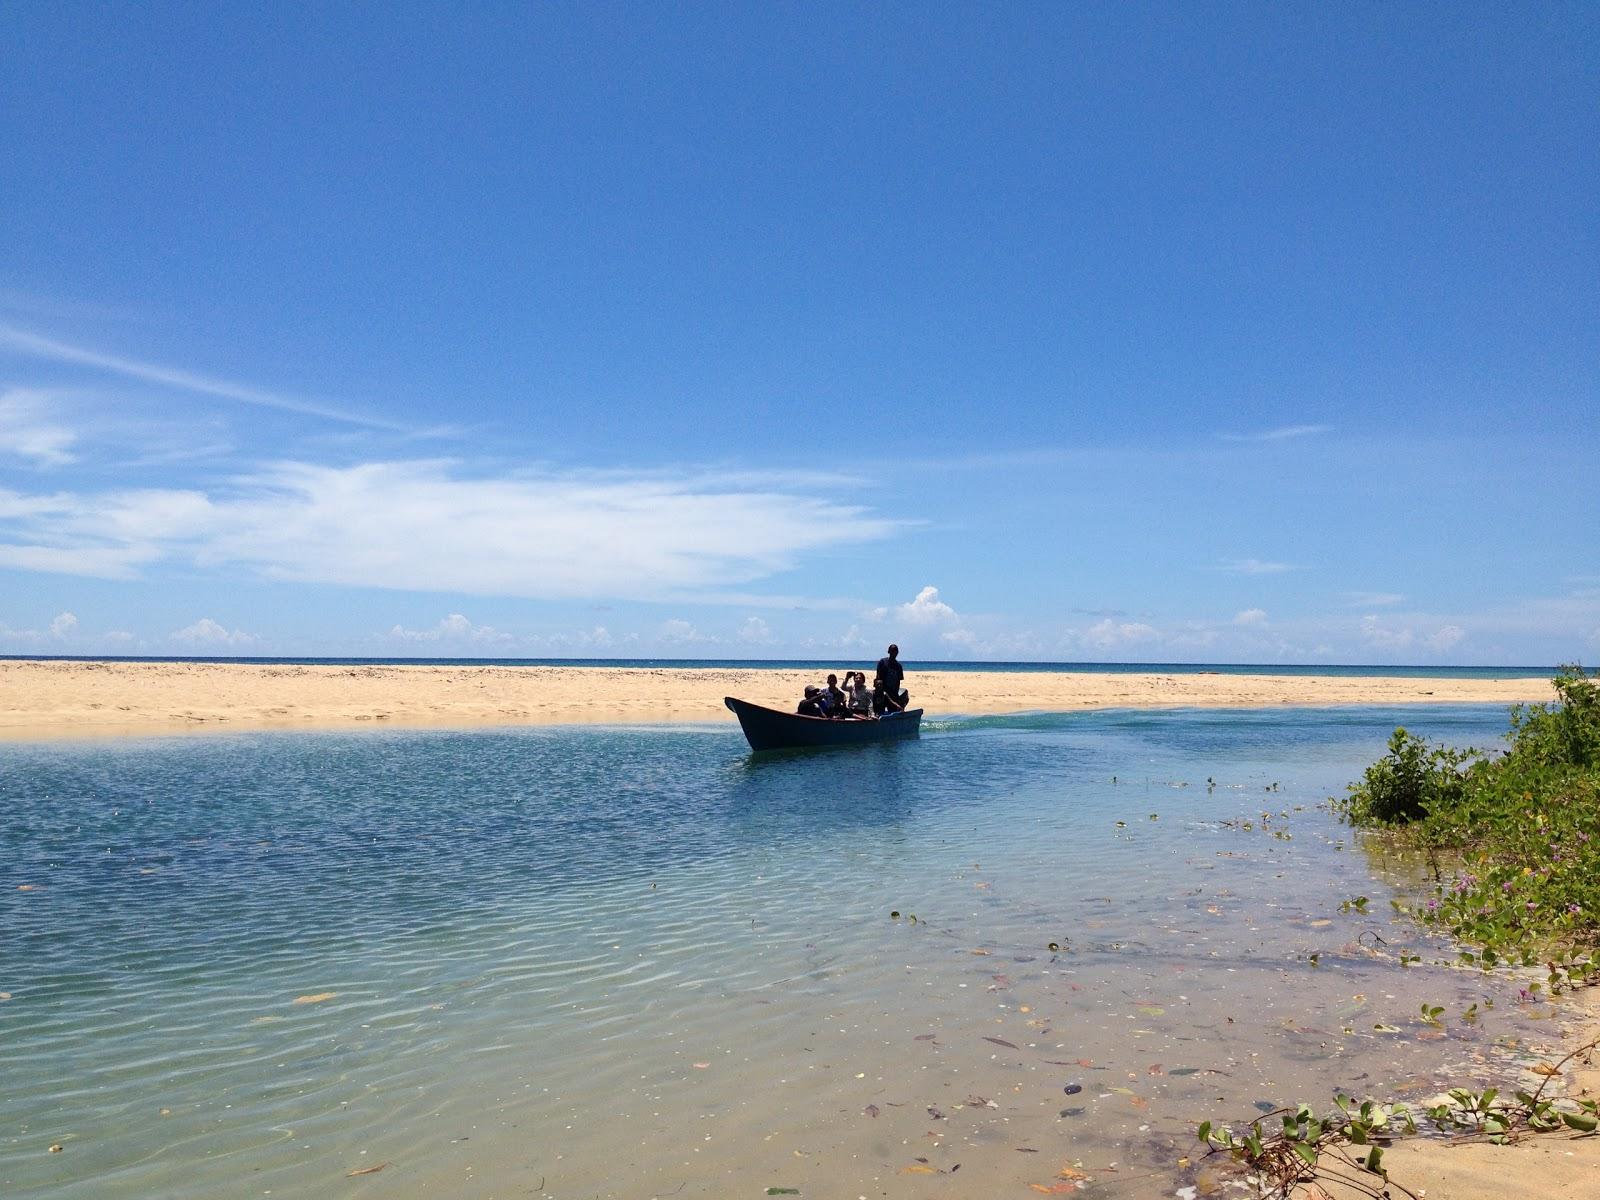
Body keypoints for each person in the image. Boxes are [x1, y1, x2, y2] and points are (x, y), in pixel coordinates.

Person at [875, 643, 908, 711]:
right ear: (889, 651)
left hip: (893, 692)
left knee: (893, 709)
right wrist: (879, 690)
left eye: (896, 651)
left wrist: (896, 694)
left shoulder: (898, 666)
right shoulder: (882, 662)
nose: (894, 653)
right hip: (882, 691)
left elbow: (898, 681)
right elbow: (878, 677)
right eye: (892, 650)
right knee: (880, 710)